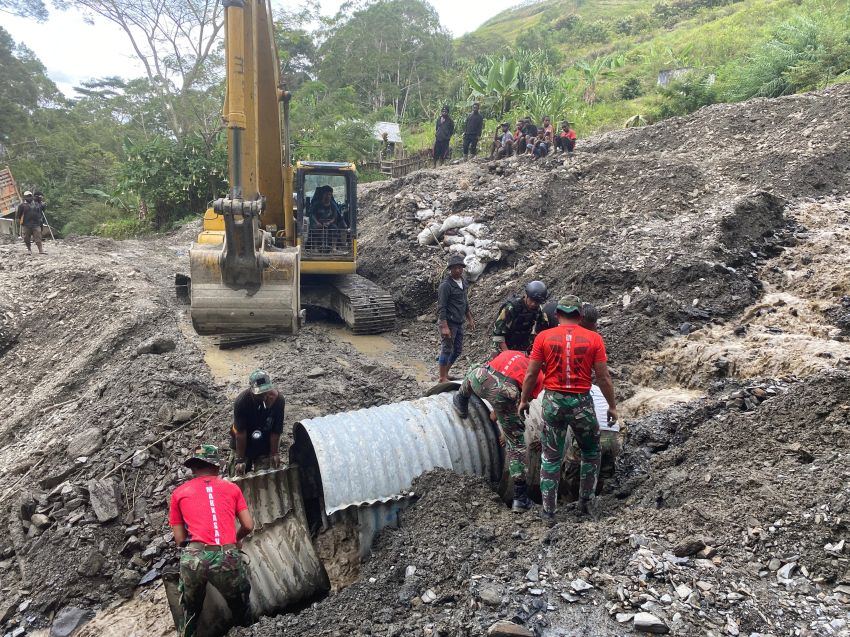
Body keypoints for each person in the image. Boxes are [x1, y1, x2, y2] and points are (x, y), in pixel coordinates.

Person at [518, 295, 618, 523]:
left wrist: (524, 401)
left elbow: (531, 374)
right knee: (591, 452)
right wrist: (611, 407)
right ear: (580, 316)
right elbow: (603, 378)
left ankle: (549, 512)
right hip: (582, 403)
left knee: (550, 457)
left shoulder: (543, 337)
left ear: (557, 315)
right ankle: (586, 502)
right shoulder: (594, 339)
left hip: (553, 403)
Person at [168, 444, 254, 637]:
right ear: (217, 467)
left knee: (191, 613)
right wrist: (235, 540)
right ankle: (249, 630)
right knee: (241, 609)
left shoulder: (178, 493)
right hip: (226, 556)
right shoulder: (232, 488)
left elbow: (180, 539)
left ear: (193, 469)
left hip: (194, 559)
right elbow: (248, 525)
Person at [453, 350, 544, 512]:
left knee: (475, 369)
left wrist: (498, 412)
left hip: (480, 380)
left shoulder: (511, 353)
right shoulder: (539, 374)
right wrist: (508, 431)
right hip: (505, 395)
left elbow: (493, 375)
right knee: (517, 444)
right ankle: (520, 498)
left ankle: (461, 398)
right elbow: (523, 404)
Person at [230, 370, 284, 476]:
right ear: (251, 390)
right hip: (243, 442)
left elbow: (276, 430)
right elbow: (240, 434)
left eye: (266, 392)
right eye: (260, 394)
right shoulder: (242, 402)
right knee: (238, 475)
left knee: (266, 476)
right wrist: (240, 460)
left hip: (264, 441)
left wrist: (274, 453)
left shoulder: (279, 400)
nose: (265, 397)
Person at [437, 254, 474, 383]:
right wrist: (445, 326)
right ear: (450, 269)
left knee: (457, 349)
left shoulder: (463, 282)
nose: (458, 270)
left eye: (460, 268)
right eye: (455, 268)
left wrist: (469, 318)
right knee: (447, 348)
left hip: (459, 321)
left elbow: (465, 301)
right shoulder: (446, 286)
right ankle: (442, 377)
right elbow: (442, 307)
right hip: (449, 322)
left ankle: (446, 373)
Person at [492, 281, 550, 354]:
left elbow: (544, 330)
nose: (533, 304)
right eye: (531, 300)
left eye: (537, 302)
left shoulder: (538, 310)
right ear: (526, 295)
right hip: (504, 345)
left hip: (523, 344)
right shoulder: (511, 308)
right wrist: (508, 354)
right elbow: (498, 334)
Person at [308, 186, 348, 251]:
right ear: (323, 194)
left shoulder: (333, 205)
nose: (328, 196)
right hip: (318, 223)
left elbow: (335, 217)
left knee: (334, 228)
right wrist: (317, 223)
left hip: (329, 223)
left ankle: (333, 247)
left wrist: (329, 222)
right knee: (314, 228)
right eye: (326, 194)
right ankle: (315, 248)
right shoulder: (317, 204)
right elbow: (312, 215)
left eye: (329, 194)